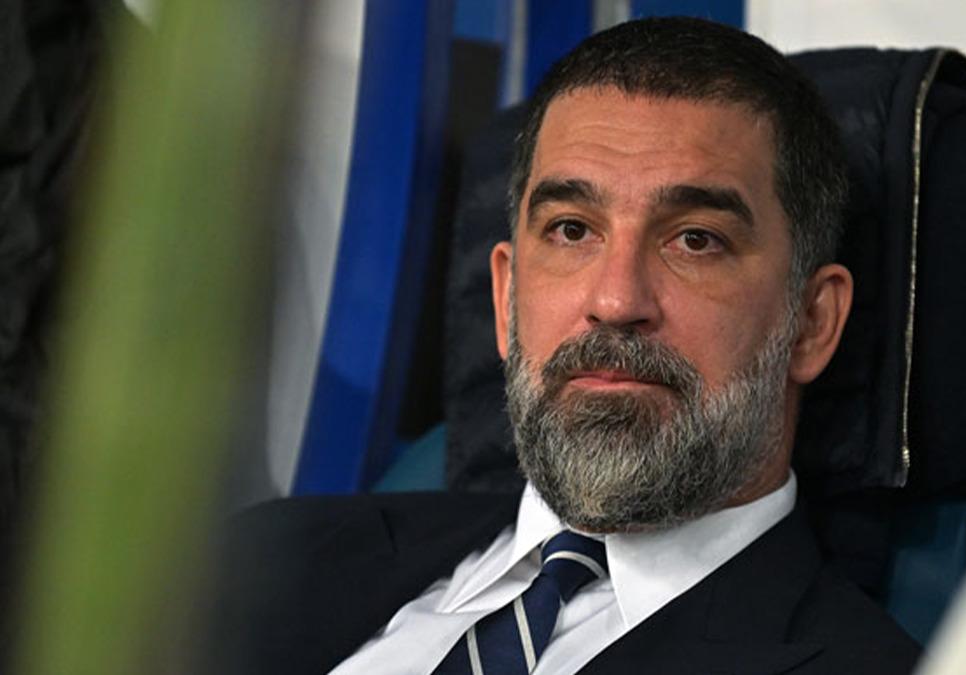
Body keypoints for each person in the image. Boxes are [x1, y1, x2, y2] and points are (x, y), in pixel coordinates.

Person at [214, 16, 921, 675]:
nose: (615, 301)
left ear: (811, 322)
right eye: (572, 230)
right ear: (505, 296)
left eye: (695, 240)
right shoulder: (265, 558)